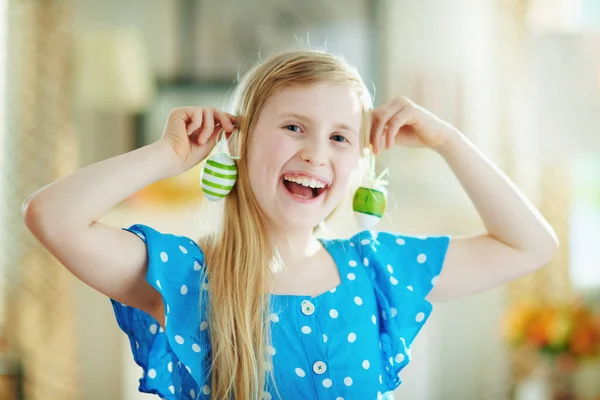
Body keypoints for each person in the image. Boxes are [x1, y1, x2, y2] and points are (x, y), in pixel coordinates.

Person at [22, 50, 558, 400]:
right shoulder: (187, 274)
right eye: (294, 127)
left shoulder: (378, 271)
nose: (315, 153)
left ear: (360, 163)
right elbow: (51, 216)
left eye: (341, 137)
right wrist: (168, 156)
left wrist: (449, 142)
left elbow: (530, 246)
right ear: (241, 140)